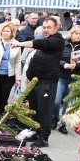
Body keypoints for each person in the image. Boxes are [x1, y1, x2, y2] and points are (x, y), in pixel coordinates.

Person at [11, 16, 64, 147]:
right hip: (35, 81)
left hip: (47, 82)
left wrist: (20, 43)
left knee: (44, 110)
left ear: (56, 28)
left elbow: (40, 44)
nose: (46, 30)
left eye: (49, 28)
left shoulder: (57, 40)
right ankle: (36, 131)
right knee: (35, 109)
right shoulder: (47, 39)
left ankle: (44, 137)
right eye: (44, 28)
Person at [54, 25, 80, 133]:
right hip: (61, 76)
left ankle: (63, 124)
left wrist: (76, 66)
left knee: (69, 103)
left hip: (74, 77)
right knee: (56, 101)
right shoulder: (64, 45)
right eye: (76, 33)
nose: (78, 36)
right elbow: (57, 58)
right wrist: (64, 64)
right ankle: (55, 117)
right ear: (71, 34)